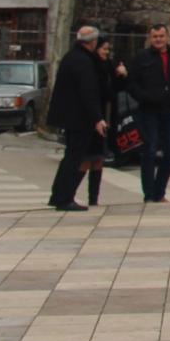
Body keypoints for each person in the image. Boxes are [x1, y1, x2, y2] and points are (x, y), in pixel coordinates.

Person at [48, 26, 110, 211]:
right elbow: (87, 93)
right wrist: (97, 118)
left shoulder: (72, 56)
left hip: (70, 116)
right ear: (92, 42)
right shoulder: (82, 61)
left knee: (70, 157)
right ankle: (65, 198)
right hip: (78, 118)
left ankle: (58, 195)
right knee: (75, 158)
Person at [127, 23, 170, 203]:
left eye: (161, 36)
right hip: (149, 111)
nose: (158, 40)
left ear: (167, 37)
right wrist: (144, 97)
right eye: (155, 37)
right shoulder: (142, 58)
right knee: (150, 151)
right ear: (150, 38)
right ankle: (149, 194)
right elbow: (132, 83)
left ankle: (159, 191)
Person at [87, 37, 123, 202]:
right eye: (104, 49)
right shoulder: (90, 65)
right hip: (94, 115)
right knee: (88, 157)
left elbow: (116, 88)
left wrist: (121, 75)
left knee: (99, 158)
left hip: (108, 112)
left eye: (108, 49)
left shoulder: (109, 66)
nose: (107, 52)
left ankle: (94, 196)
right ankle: (70, 193)